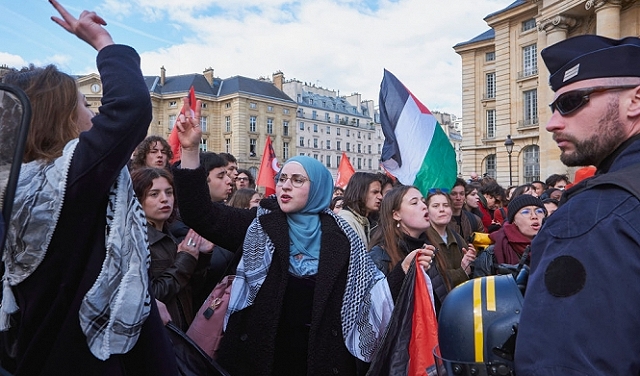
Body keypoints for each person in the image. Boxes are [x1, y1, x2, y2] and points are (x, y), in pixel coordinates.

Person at [0, 2, 177, 374]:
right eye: (84, 104)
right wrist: (102, 41)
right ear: (58, 116)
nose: (94, 114)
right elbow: (130, 107)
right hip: (89, 358)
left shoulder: (19, 185)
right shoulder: (65, 182)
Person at [171, 102, 401, 375]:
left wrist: (404, 271)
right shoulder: (260, 224)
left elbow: (369, 295)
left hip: (320, 362)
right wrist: (189, 150)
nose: (285, 186)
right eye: (282, 179)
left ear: (317, 188)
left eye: (297, 180)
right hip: (261, 360)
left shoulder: (343, 236)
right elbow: (200, 214)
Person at [515, 35, 640, 375]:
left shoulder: (591, 219)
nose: (553, 123)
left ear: (635, 100)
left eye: (570, 102)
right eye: (553, 108)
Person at [131, 168, 213, 331]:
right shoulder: (135, 241)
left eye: (169, 192)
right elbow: (151, 296)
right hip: (159, 335)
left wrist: (202, 255)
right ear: (138, 200)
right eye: (154, 194)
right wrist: (185, 258)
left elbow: (191, 290)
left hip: (182, 332)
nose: (164, 199)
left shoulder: (170, 237)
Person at [367, 186, 443, 309]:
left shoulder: (431, 247)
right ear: (396, 214)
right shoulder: (379, 256)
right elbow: (372, 310)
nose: (424, 206)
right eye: (414, 203)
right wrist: (402, 271)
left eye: (423, 201)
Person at [473, 195, 546, 277]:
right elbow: (483, 287)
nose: (534, 216)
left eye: (539, 211)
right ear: (514, 220)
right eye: (526, 212)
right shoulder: (491, 254)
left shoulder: (556, 246)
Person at [424, 190, 476, 293]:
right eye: (435, 206)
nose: (442, 209)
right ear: (427, 211)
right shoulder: (424, 241)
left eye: (446, 205)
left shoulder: (458, 239)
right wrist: (462, 272)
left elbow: (471, 273)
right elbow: (432, 281)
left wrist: (471, 261)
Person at [339, 172, 383, 248]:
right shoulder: (346, 221)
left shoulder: (364, 220)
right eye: (375, 192)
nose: (380, 197)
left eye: (380, 192)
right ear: (360, 192)